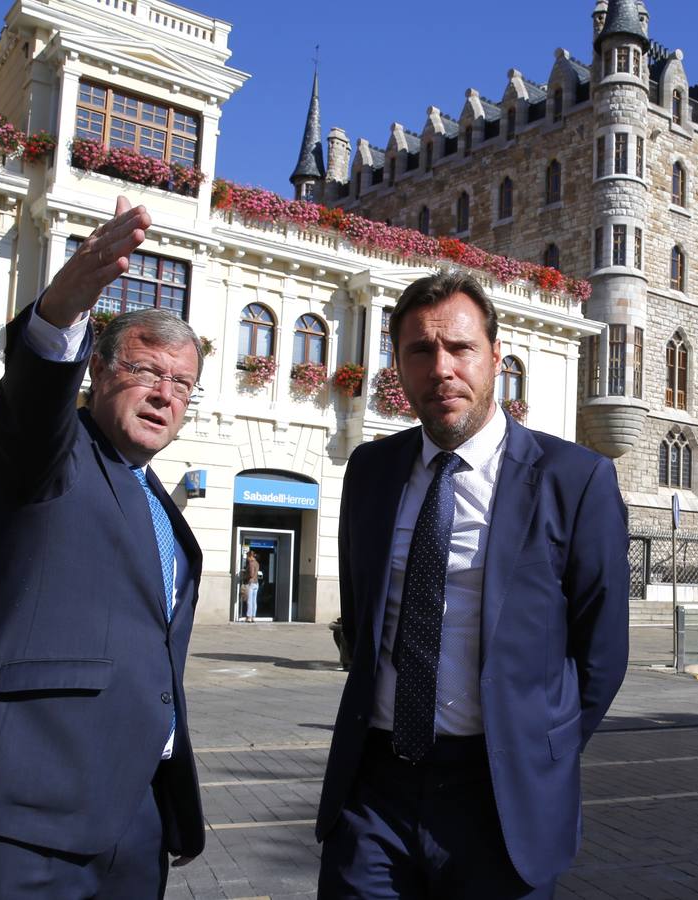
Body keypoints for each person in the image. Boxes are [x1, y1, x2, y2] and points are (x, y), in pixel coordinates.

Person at [0, 197, 207, 898]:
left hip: (131, 818)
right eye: (145, 371)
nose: (164, 394)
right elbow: (33, 399)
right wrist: (61, 311)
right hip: (16, 814)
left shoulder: (156, 496)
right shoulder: (52, 456)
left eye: (181, 382)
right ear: (97, 373)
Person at [315, 272, 630, 898]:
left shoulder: (575, 479)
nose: (441, 369)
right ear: (397, 364)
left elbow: (602, 653)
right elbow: (362, 610)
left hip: (499, 795)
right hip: (376, 787)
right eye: (419, 351)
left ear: (494, 355)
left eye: (459, 349)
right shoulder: (372, 471)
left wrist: (543, 746)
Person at [243, 549, 260, 622]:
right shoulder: (257, 563)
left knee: (249, 601)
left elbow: (251, 574)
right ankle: (253, 616)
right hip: (256, 583)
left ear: (250, 556)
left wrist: (245, 576)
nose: (247, 558)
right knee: (254, 601)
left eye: (247, 556)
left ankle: (248, 617)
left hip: (251, 583)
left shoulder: (251, 563)